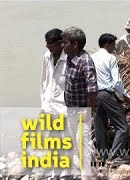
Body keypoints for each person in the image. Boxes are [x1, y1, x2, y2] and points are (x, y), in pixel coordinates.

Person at [91, 33, 130, 167]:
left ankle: (103, 156)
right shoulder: (110, 58)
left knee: (100, 126)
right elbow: (116, 82)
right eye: (113, 45)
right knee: (122, 127)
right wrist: (125, 96)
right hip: (106, 94)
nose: (114, 48)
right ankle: (114, 156)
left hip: (94, 95)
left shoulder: (91, 58)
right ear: (107, 44)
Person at [62, 26, 98, 180]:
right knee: (71, 141)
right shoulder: (69, 59)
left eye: (65, 42)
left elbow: (92, 89)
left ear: (75, 44)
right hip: (70, 108)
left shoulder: (85, 61)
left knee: (83, 142)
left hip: (82, 110)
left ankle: (86, 175)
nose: (62, 45)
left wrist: (89, 112)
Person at [37, 28, 67, 179]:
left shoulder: (70, 59)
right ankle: (56, 172)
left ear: (61, 43)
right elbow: (44, 80)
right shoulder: (46, 56)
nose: (49, 48)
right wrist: (43, 101)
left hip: (64, 107)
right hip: (49, 106)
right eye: (47, 44)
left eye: (51, 44)